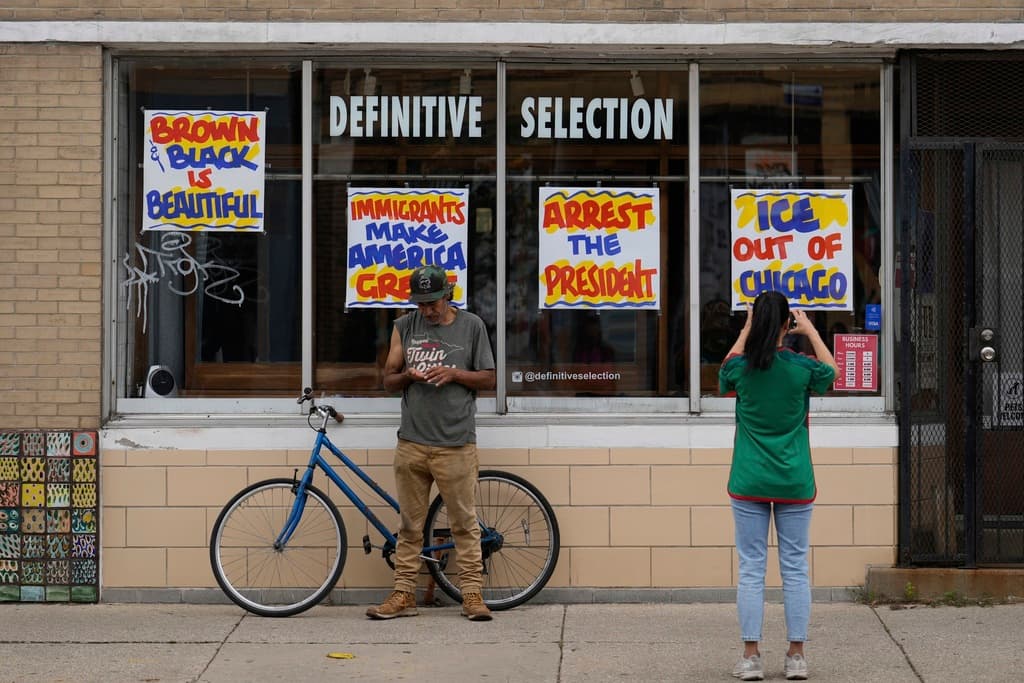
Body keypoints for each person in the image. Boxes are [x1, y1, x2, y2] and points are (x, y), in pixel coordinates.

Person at [718, 291, 839, 681]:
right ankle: (796, 656)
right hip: (794, 480)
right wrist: (813, 332)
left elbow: (725, 369)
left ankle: (751, 656)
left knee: (752, 568)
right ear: (788, 324)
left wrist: (746, 329)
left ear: (756, 322)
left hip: (749, 479)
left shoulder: (742, 368)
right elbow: (832, 372)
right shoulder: (801, 368)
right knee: (795, 568)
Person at [366, 265, 497, 622]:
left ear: (447, 296)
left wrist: (454, 373)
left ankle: (472, 595)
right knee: (409, 525)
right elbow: (387, 381)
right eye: (420, 304)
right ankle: (404, 594)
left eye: (432, 303)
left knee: (463, 524)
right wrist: (407, 374)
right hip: (411, 442)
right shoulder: (404, 327)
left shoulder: (472, 326)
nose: (426, 311)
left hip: (456, 443)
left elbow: (489, 378)